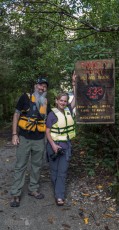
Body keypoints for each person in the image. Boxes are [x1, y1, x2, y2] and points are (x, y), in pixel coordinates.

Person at [10, 76, 51, 207]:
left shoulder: (45, 102)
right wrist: (14, 134)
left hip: (39, 139)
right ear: (35, 85)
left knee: (37, 166)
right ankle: (16, 193)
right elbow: (16, 114)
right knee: (20, 165)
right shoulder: (25, 97)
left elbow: (51, 118)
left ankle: (33, 189)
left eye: (44, 86)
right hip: (24, 138)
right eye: (40, 85)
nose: (42, 88)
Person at [46, 72, 76, 206]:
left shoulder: (69, 109)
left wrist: (74, 83)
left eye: (65, 100)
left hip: (65, 146)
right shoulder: (52, 114)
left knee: (62, 171)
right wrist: (52, 145)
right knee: (54, 171)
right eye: (61, 100)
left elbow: (76, 99)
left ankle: (59, 195)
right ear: (57, 101)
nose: (63, 102)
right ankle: (57, 190)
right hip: (53, 146)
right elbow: (47, 132)